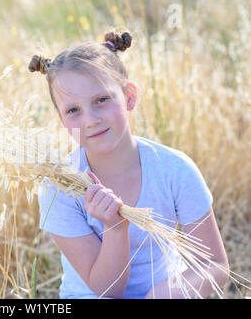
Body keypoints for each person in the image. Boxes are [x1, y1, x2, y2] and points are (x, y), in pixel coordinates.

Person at [29, 30, 230, 299]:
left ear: (129, 97)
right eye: (73, 110)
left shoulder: (174, 170)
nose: (90, 120)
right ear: (62, 119)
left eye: (102, 100)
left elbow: (214, 264)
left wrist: (163, 295)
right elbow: (107, 290)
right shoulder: (60, 187)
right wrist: (114, 228)